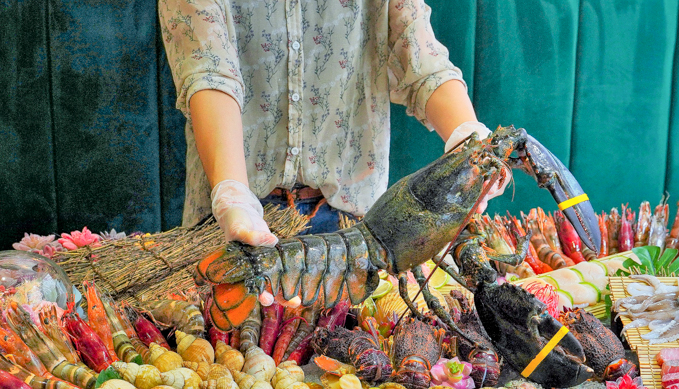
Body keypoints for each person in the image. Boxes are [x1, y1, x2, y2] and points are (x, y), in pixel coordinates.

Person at [158, 0, 508, 247]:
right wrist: (234, 195)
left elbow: (421, 56)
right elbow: (208, 72)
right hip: (231, 220)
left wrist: (469, 137)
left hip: (352, 225)